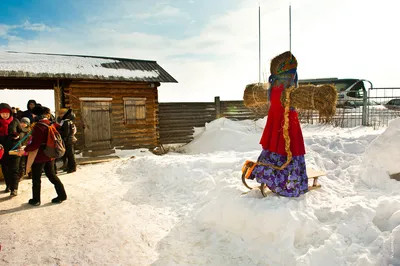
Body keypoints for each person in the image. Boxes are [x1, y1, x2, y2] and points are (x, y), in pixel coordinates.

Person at [247, 51, 308, 197]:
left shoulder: (273, 86)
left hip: (277, 122)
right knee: (289, 148)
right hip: (286, 123)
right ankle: (286, 183)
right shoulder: (286, 88)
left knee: (276, 147)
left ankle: (270, 175)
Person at [22, 105, 67, 206]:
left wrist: (25, 149)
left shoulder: (39, 126)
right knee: (52, 175)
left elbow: (35, 144)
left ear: (36, 114)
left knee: (36, 178)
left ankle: (36, 200)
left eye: (33, 114)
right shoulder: (50, 123)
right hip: (49, 155)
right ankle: (62, 195)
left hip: (39, 156)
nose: (32, 116)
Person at [0, 103, 23, 196]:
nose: (5, 115)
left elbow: (22, 132)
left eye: (7, 113)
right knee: (5, 169)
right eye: (2, 113)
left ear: (10, 113)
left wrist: (18, 137)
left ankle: (14, 188)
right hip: (2, 150)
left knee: (14, 169)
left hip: (15, 148)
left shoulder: (15, 121)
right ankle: (8, 185)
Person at [56, 108, 77, 173]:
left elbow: (66, 132)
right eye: (60, 114)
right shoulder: (68, 121)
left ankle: (72, 167)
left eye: (62, 114)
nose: (60, 115)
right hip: (69, 139)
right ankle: (69, 167)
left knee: (70, 154)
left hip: (68, 140)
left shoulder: (66, 122)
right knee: (69, 154)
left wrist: (58, 131)